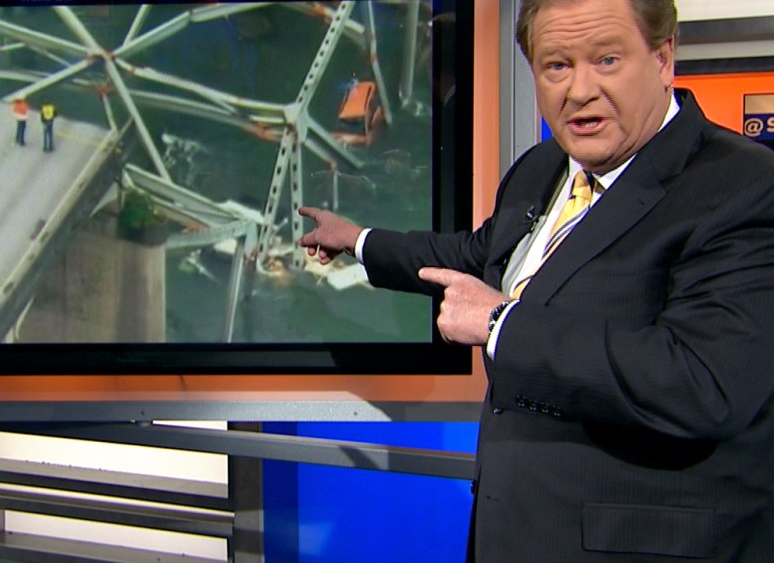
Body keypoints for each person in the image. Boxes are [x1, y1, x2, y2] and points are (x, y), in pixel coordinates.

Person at [298, 0, 774, 560]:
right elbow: (476, 255)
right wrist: (358, 240)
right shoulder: (542, 167)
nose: (579, 91)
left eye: (607, 60)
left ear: (663, 57)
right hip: (512, 535)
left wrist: (500, 324)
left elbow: (701, 384)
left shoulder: (742, 185)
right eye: (556, 66)